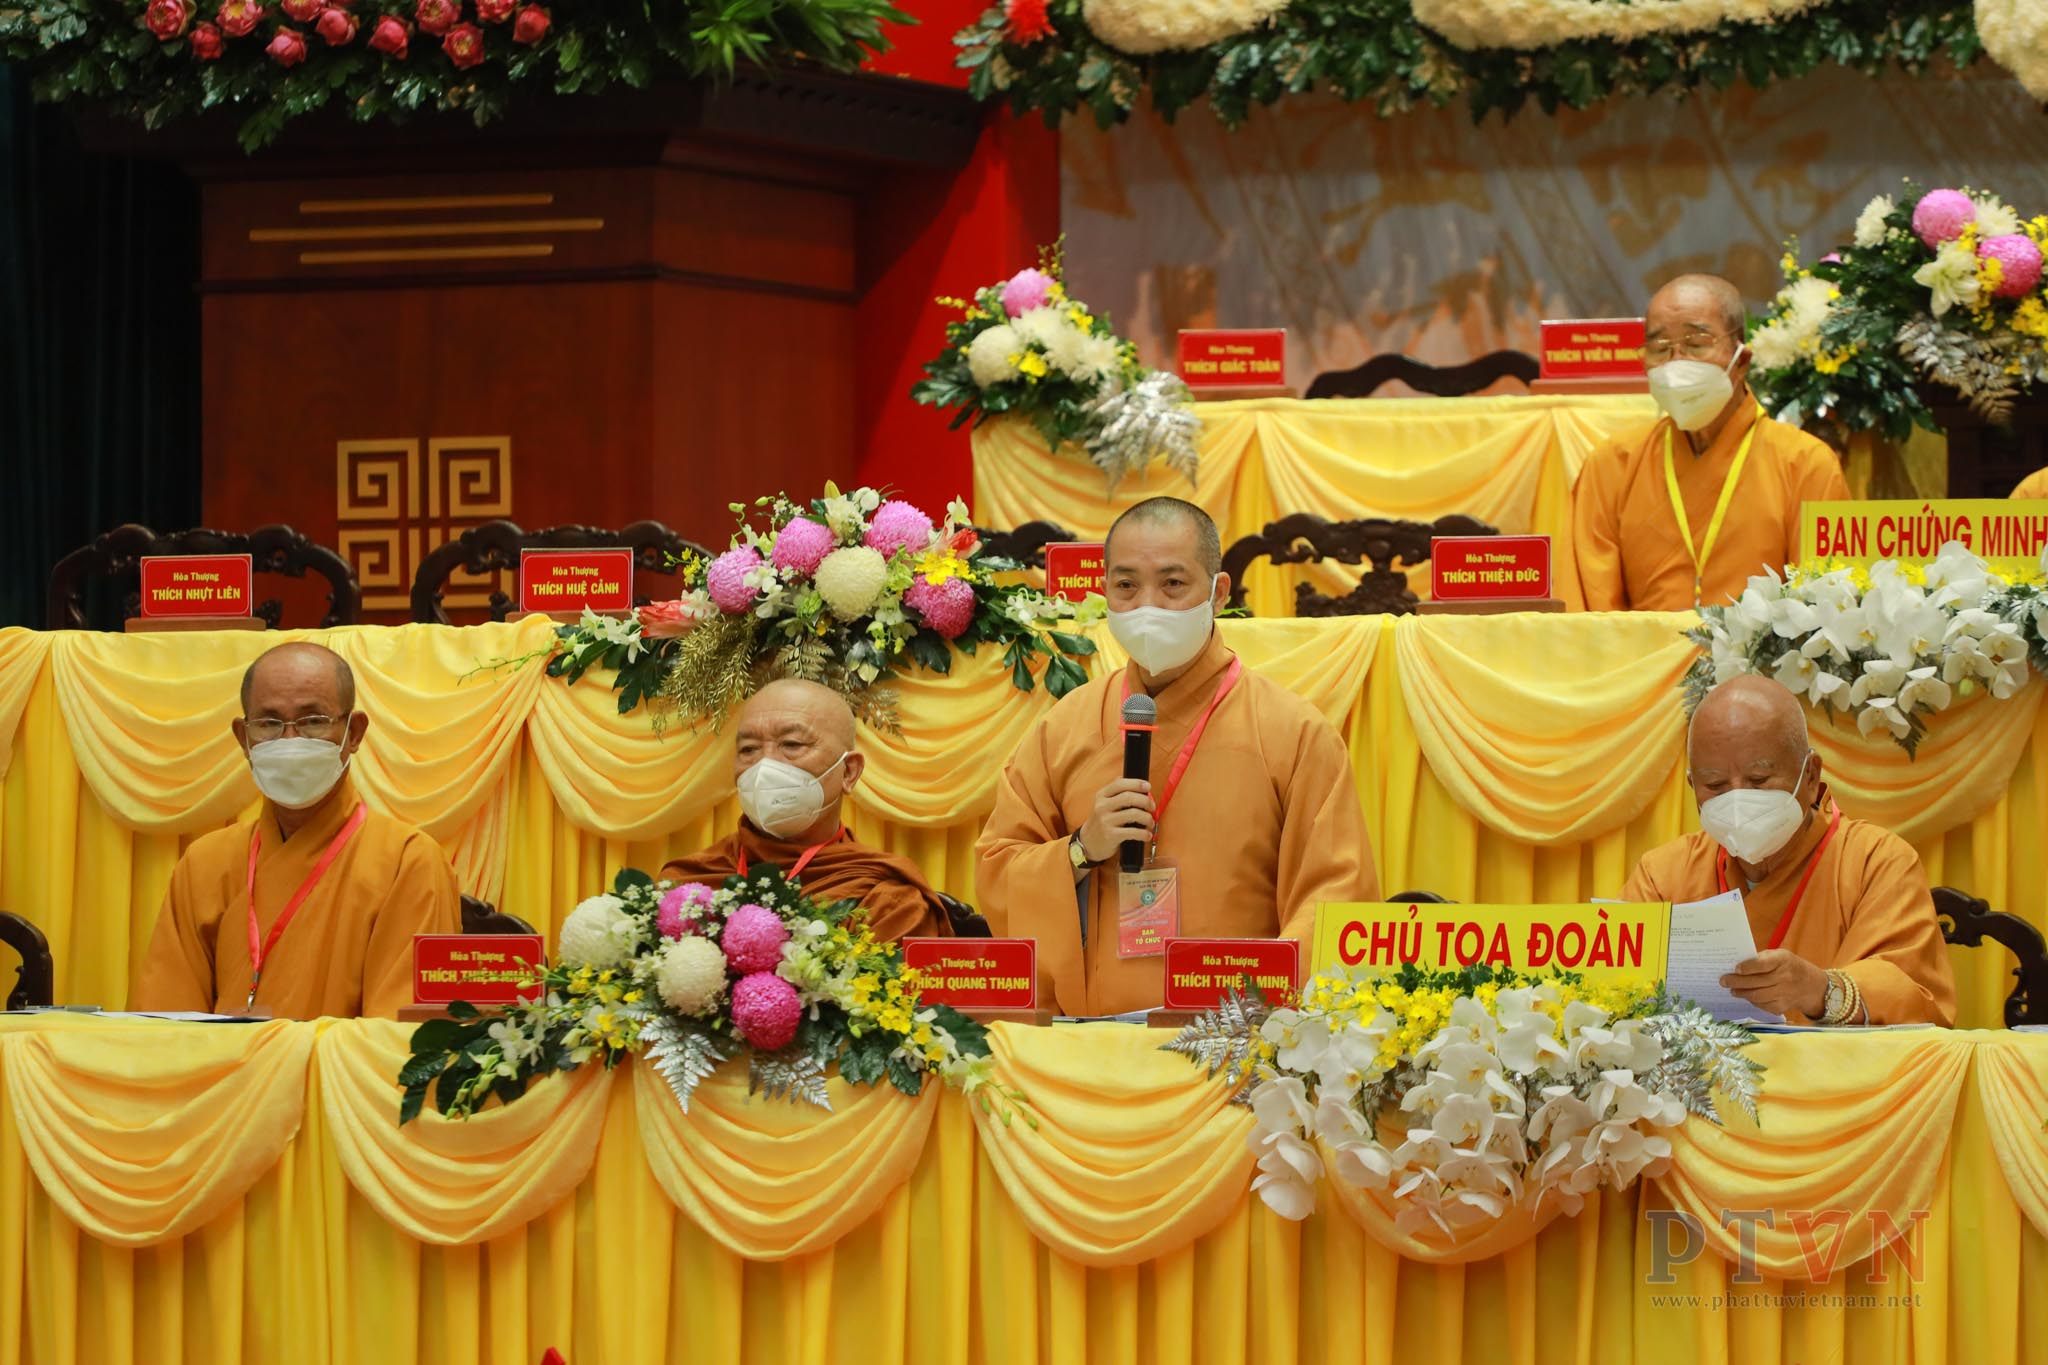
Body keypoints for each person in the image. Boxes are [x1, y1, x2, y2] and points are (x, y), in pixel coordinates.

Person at [976, 496, 1379, 1016]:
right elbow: (999, 873)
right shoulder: (1064, 727)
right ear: (1103, 591)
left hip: (1233, 1034)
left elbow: (1334, 900)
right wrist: (1080, 849)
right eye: (1126, 586)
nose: (1148, 606)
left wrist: (1258, 1015)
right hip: (1088, 1036)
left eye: (1172, 584)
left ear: (1218, 592)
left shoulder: (1293, 732)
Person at [134, 642, 461, 1018]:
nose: (290, 742)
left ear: (354, 733)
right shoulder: (204, 864)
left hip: (324, 1063)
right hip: (224, 1059)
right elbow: (165, 1023)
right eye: (268, 724)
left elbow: (397, 1036)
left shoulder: (409, 863)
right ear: (243, 738)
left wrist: (275, 1049)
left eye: (313, 721)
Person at [1619, 675, 1955, 1026]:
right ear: (1693, 785)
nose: (1737, 800)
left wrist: (1821, 990)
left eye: (1759, 780)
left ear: (1810, 775)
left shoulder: (1877, 861)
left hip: (1834, 1063)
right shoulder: (1663, 873)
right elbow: (1611, 992)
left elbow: (1915, 996)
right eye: (1715, 785)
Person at [1571, 274, 1850, 611]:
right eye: (1659, 348)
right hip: (1643, 647)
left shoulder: (1806, 464)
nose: (1676, 363)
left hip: (1761, 648)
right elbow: (1592, 615)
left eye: (1697, 344)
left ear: (1741, 361)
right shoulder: (1611, 465)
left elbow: (1820, 608)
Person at [661, 678, 950, 942]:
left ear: (848, 772)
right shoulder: (689, 885)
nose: (764, 765)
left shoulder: (885, 899)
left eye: (792, 744)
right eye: (748, 749)